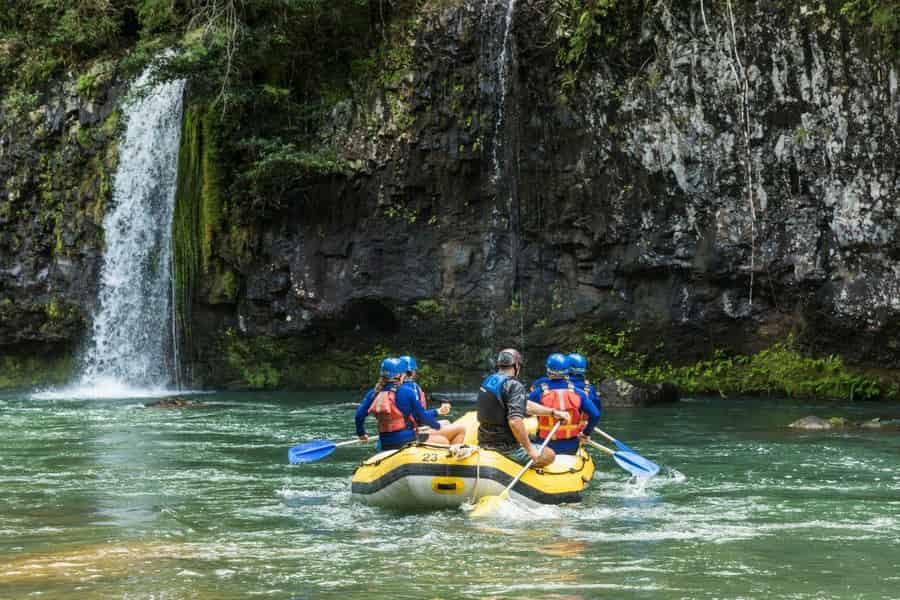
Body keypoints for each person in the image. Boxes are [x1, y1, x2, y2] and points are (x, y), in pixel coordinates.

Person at [477, 348, 570, 468]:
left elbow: (525, 405)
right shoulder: (514, 385)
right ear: (516, 365)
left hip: (485, 441)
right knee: (549, 454)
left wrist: (553, 412)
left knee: (530, 437)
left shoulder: (489, 380)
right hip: (506, 447)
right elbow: (515, 421)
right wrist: (530, 450)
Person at [355, 358, 465, 449]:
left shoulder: (373, 393)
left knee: (441, 437)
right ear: (400, 375)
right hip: (406, 440)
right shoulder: (407, 392)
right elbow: (423, 417)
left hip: (385, 442)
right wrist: (438, 426)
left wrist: (361, 434)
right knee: (449, 437)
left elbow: (359, 416)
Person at [528, 352, 600, 455]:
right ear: (567, 371)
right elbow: (595, 414)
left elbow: (526, 413)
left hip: (545, 446)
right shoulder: (579, 393)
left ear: (548, 370)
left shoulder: (538, 393)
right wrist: (585, 433)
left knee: (529, 437)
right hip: (571, 446)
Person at [399, 354, 451, 419]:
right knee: (447, 423)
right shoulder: (411, 388)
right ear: (412, 372)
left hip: (398, 426)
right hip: (410, 426)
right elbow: (417, 416)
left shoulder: (391, 387)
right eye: (414, 370)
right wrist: (439, 411)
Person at [566, 352, 602, 421]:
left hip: (556, 427)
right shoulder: (589, 388)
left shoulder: (559, 386)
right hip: (580, 428)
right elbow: (597, 410)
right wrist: (587, 431)